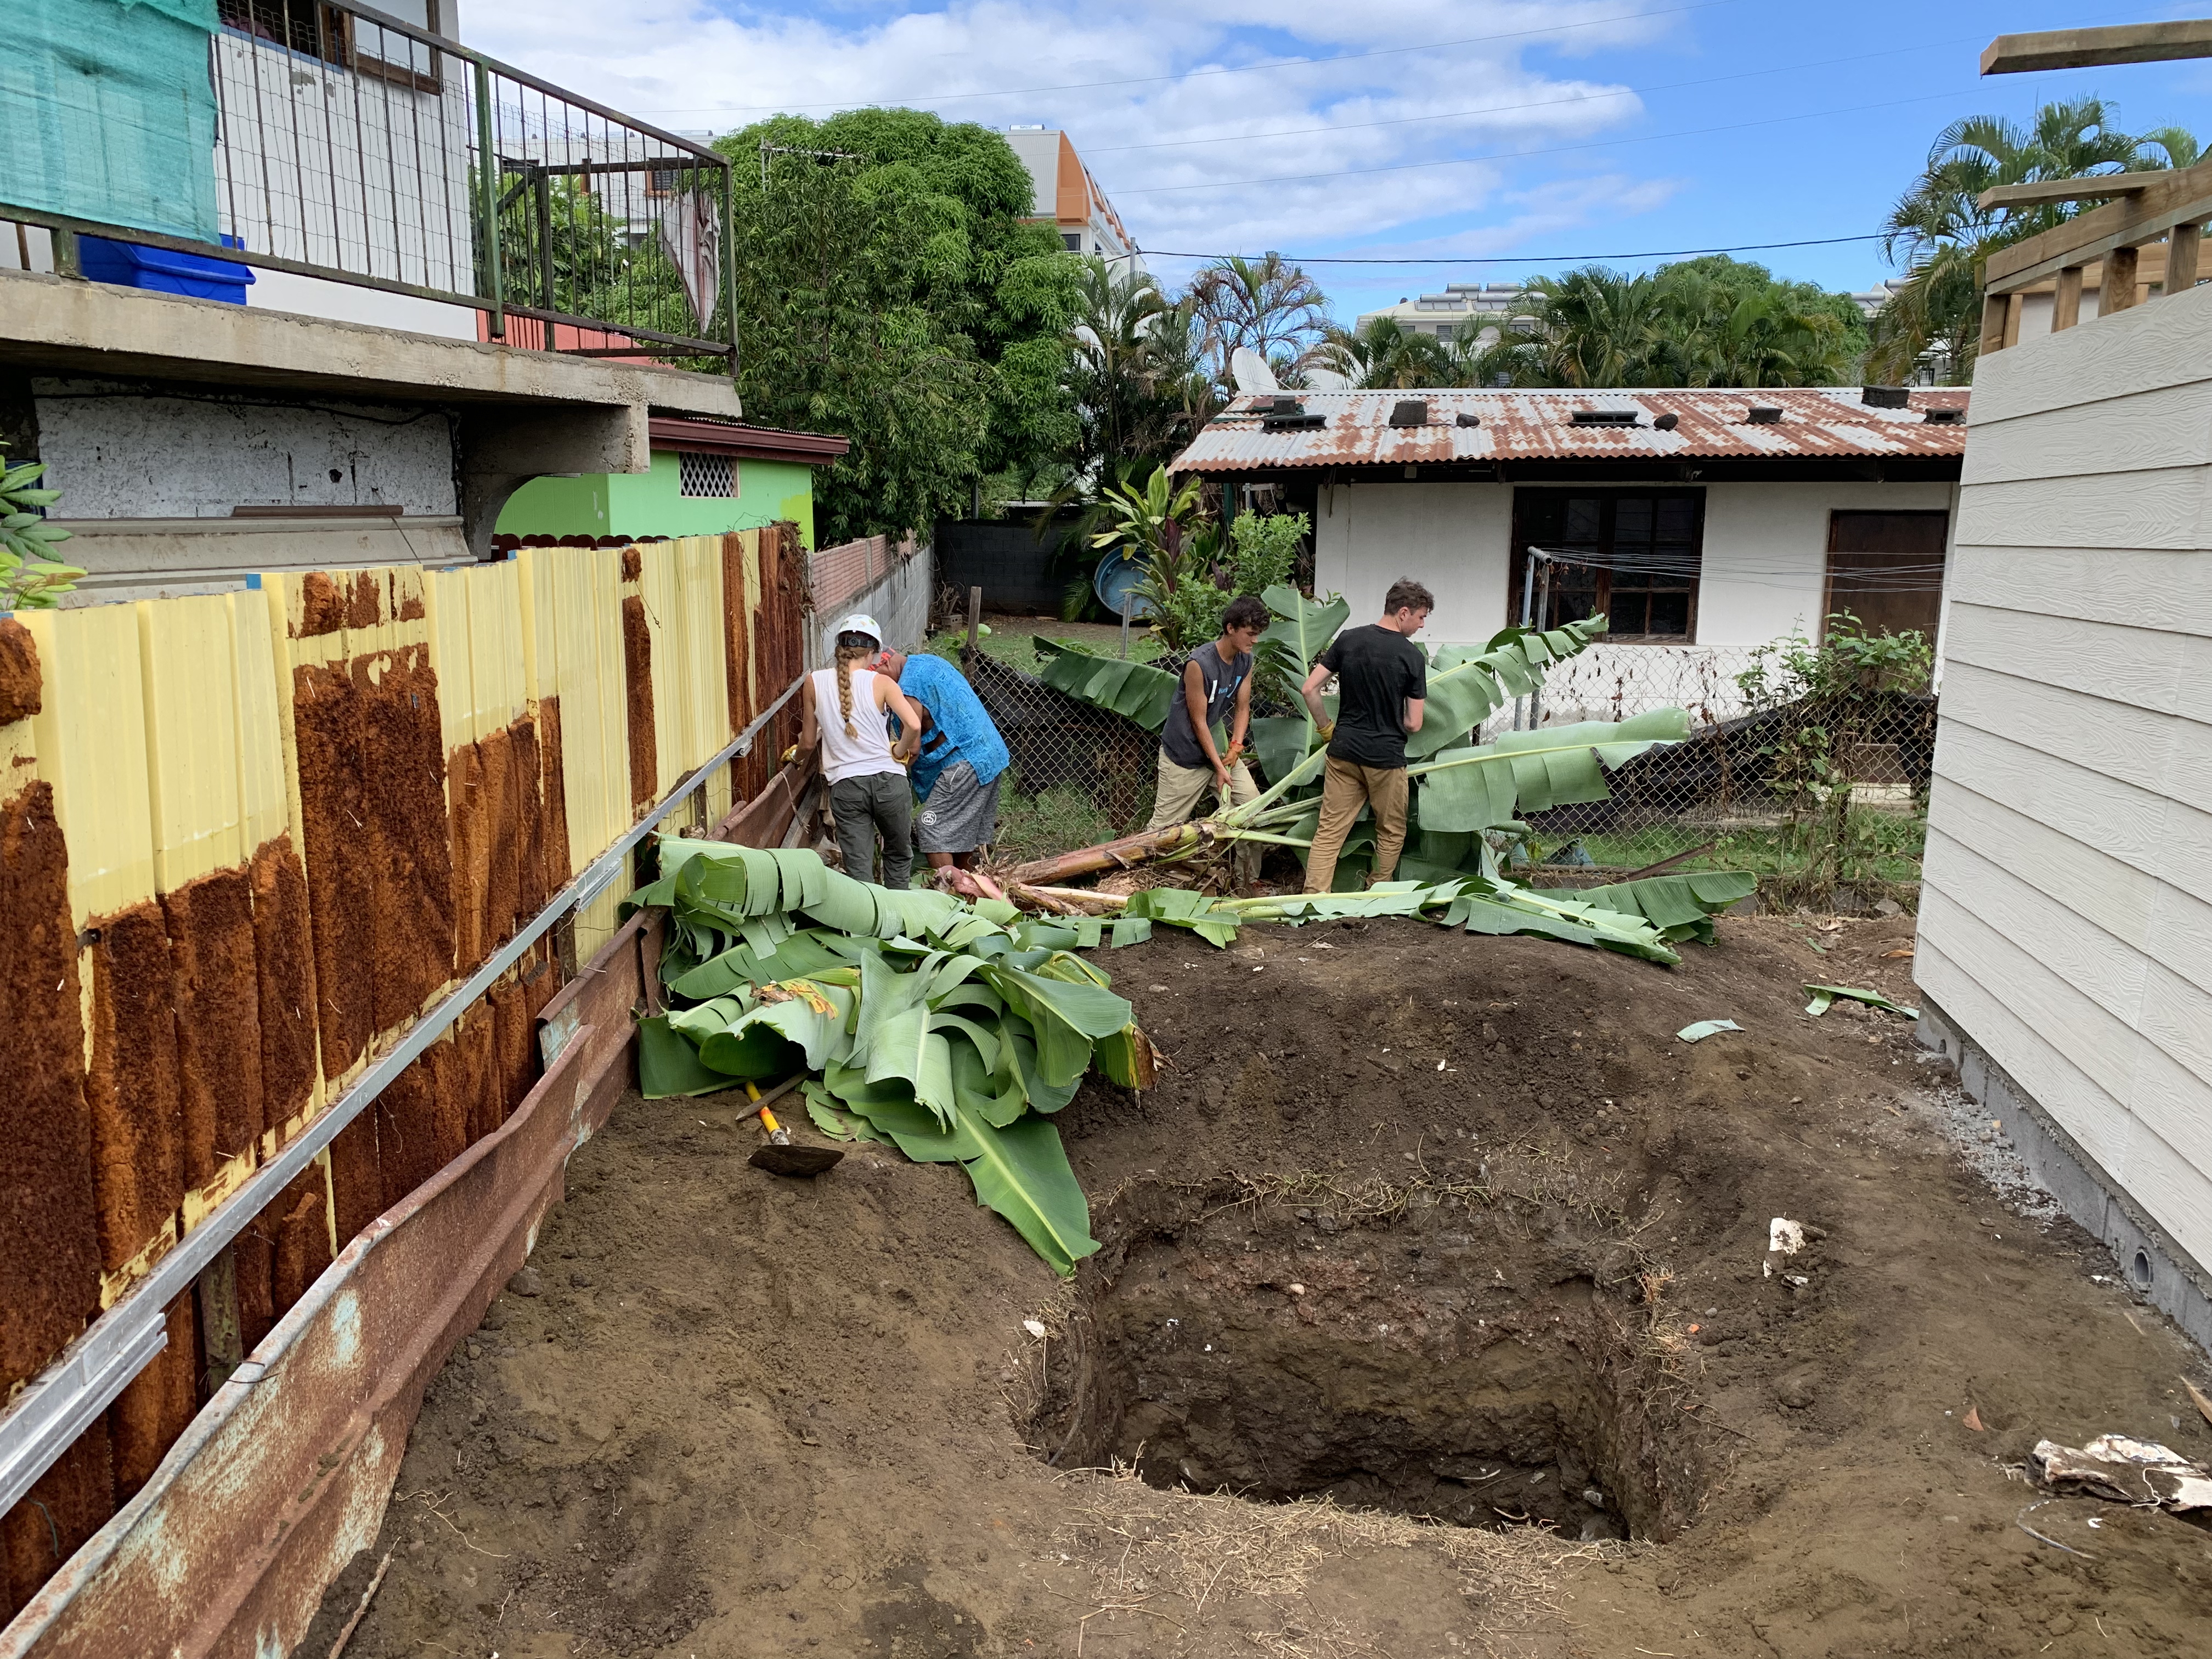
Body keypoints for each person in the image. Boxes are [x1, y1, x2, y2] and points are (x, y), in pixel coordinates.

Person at [1298, 579, 1431, 894]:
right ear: (1403, 612)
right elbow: (1414, 723)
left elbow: (1309, 689)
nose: (1422, 625)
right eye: (1421, 617)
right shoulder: (1411, 657)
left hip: (1343, 752)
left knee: (1329, 831)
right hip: (1385, 759)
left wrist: (1326, 728)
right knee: (1391, 830)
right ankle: (1376, 893)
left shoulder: (1348, 640)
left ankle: (1314, 897)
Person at [801, 613, 924, 889]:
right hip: (889, 783)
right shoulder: (881, 684)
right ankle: (898, 922)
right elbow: (913, 725)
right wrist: (899, 751)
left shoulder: (813, 682)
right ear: (872, 652)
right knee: (898, 855)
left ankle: (865, 928)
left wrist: (796, 759)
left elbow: (808, 744)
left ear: (839, 649)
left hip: (847, 788)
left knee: (859, 869)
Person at [871, 642, 1012, 872]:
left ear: (885, 663)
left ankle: (947, 894)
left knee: (930, 825)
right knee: (961, 830)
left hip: (966, 762)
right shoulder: (925, 661)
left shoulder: (907, 689)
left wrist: (891, 779)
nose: (875, 686)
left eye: (874, 677)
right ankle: (966, 890)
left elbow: (913, 748)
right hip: (989, 753)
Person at [1147, 595, 1268, 833]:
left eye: (1258, 634)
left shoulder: (1246, 660)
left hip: (1220, 751)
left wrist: (1235, 747)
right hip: (1184, 757)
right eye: (1250, 633)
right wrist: (1219, 767)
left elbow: (1243, 707)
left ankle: (1247, 872)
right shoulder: (1199, 665)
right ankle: (1138, 868)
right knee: (1161, 833)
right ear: (1231, 628)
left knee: (1253, 814)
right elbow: (1198, 722)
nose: (1255, 640)